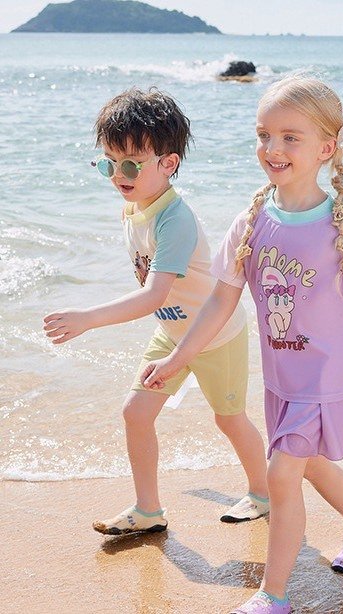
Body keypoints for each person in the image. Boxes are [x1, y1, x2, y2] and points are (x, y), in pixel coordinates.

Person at [141, 75, 343, 613]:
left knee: (283, 473)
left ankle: (274, 595)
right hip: (282, 378)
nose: (273, 148)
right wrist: (177, 357)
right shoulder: (250, 222)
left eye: (291, 137)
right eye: (264, 135)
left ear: (327, 148)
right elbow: (220, 302)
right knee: (309, 464)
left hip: (323, 378)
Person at [43, 88, 269, 534]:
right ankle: (148, 510)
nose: (118, 175)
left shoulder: (174, 219)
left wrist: (87, 319)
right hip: (172, 331)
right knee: (136, 412)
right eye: (109, 163)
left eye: (130, 165)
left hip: (214, 335)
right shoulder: (133, 207)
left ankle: (263, 493)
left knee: (228, 418)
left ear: (169, 163)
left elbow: (152, 295)